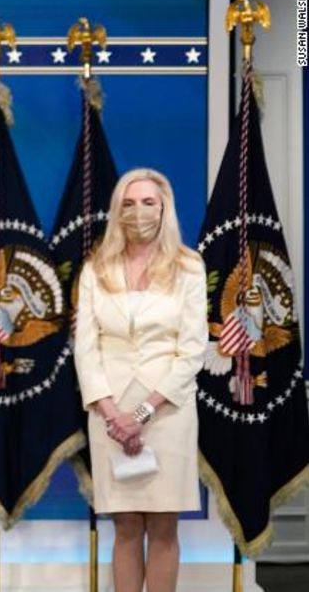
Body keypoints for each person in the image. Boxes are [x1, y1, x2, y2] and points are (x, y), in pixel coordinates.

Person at [74, 167, 207, 592]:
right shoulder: (96, 269)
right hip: (110, 413)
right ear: (117, 211)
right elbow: (86, 348)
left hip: (167, 410)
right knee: (126, 527)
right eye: (129, 204)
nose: (139, 211)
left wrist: (144, 412)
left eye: (148, 202)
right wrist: (113, 412)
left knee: (164, 528)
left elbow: (191, 350)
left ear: (164, 207)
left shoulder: (189, 266)